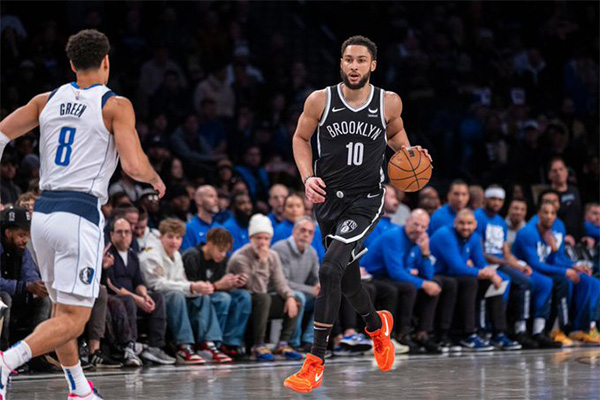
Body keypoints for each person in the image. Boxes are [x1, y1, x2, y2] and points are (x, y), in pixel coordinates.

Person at [0, 29, 165, 400]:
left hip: (43, 215)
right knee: (74, 319)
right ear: (106, 61)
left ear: (72, 64)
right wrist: (155, 178)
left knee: (62, 312)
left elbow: (1, 134)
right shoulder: (115, 105)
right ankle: (6, 362)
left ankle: (79, 389)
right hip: (78, 214)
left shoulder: (45, 100)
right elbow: (133, 165)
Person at [284, 35, 432, 393]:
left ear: (372, 65)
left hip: (366, 199)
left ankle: (315, 362)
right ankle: (377, 328)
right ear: (341, 63)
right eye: (348, 59)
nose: (354, 66)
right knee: (347, 281)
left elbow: (397, 137)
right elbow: (301, 139)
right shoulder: (320, 100)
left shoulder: (388, 102)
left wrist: (411, 155)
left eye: (361, 60)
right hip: (328, 200)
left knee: (328, 269)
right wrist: (307, 177)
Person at [474, 186, 559, 348]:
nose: (496, 203)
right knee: (513, 282)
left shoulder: (500, 221)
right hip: (486, 264)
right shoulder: (478, 217)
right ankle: (498, 330)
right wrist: (508, 264)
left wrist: (519, 264)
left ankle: (530, 330)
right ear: (485, 199)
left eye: (500, 200)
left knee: (535, 281)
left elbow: (505, 252)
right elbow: (479, 251)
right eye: (493, 199)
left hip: (501, 264)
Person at [362, 209, 456, 354]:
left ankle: (422, 333)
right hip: (374, 276)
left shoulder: (419, 241)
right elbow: (396, 272)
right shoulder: (393, 237)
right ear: (407, 222)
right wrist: (423, 283)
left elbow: (428, 275)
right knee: (410, 287)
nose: (418, 229)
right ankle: (401, 335)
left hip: (391, 276)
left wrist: (425, 253)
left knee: (435, 284)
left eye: (423, 227)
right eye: (415, 225)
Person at [140, 218, 232, 364]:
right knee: (176, 295)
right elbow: (156, 285)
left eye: (178, 238)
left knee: (202, 296)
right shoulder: (151, 254)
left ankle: (207, 344)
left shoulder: (176, 255)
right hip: (153, 298)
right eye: (170, 237)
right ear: (161, 237)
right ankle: (184, 345)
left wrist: (197, 288)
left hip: (174, 297)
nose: (174, 241)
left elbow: (181, 281)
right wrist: (190, 287)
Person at [430, 209, 521, 351]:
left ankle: (498, 333)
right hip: (438, 274)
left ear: (475, 225)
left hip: (456, 274)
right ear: (455, 223)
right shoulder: (445, 234)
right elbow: (456, 266)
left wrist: (491, 273)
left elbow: (480, 263)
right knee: (471, 281)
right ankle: (468, 334)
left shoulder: (475, 237)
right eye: (461, 223)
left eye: (469, 223)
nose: (465, 227)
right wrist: (483, 273)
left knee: (498, 281)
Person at [513, 202, 600, 344]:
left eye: (552, 213)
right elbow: (535, 263)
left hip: (546, 269)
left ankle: (584, 328)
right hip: (527, 269)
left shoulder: (552, 232)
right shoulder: (528, 232)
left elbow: (555, 259)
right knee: (562, 281)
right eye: (545, 213)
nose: (549, 216)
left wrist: (574, 266)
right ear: (538, 214)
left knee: (593, 282)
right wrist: (565, 270)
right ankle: (556, 329)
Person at [227, 214, 303, 361]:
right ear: (251, 238)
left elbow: (280, 283)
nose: (262, 243)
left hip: (262, 302)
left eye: (266, 239)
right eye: (258, 238)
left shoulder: (273, 256)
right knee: (264, 298)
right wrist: (262, 263)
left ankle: (283, 343)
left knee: (296, 300)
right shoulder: (240, 258)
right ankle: (258, 344)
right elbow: (256, 289)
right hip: (245, 301)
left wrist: (290, 297)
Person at [104, 218, 175, 365]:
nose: (124, 236)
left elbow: (139, 281)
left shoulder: (132, 255)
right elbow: (112, 285)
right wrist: (137, 299)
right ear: (111, 234)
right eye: (119, 232)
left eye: (127, 232)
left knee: (157, 298)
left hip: (132, 297)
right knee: (128, 301)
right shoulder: (108, 255)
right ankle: (130, 346)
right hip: (115, 297)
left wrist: (144, 296)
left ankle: (155, 346)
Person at [182, 228, 251, 360]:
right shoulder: (192, 256)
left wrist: (234, 283)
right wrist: (217, 286)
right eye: (220, 250)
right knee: (223, 299)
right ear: (209, 244)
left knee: (243, 296)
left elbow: (221, 285)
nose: (223, 254)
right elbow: (193, 290)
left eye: (225, 251)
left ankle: (231, 343)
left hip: (214, 294)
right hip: (194, 300)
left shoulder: (222, 260)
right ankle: (210, 342)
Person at [0, 208, 50, 350]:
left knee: (44, 300)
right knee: (4, 299)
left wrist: (38, 286)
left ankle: (36, 350)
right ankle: (3, 351)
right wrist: (25, 286)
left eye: (27, 235)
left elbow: (29, 273)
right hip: (4, 297)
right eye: (21, 235)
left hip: (17, 297)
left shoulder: (22, 250)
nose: (25, 240)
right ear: (8, 233)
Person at [272, 217, 320, 352]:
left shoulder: (311, 252)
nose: (306, 235)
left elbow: (317, 277)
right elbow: (283, 281)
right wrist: (311, 290)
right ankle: (294, 342)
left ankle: (309, 341)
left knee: (326, 297)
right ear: (294, 232)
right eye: (303, 230)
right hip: (278, 293)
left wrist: (320, 285)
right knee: (299, 297)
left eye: (310, 232)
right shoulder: (280, 248)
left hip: (300, 292)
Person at [271, 193, 325, 261]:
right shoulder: (278, 231)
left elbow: (321, 256)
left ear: (304, 209)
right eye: (290, 206)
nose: (294, 210)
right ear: (284, 210)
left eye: (298, 206)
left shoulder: (316, 230)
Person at [548, 157, 583, 240]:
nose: (558, 173)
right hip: (559, 238)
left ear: (566, 172)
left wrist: (584, 235)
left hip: (578, 237)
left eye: (561, 169)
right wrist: (561, 236)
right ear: (549, 175)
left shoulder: (575, 190)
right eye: (555, 171)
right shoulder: (548, 195)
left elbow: (580, 215)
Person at [181, 185, 222, 251]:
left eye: (216, 196)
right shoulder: (189, 228)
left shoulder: (220, 228)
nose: (216, 200)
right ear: (199, 200)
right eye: (211, 196)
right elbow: (187, 255)